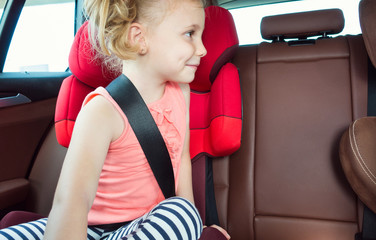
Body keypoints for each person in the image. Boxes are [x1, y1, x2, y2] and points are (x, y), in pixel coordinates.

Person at [0, 0, 231, 239]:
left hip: (142, 225)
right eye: (190, 34)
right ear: (138, 37)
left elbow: (181, 157)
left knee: (183, 212)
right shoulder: (101, 110)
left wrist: (194, 223)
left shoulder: (181, 92)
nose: (202, 49)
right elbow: (73, 200)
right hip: (87, 228)